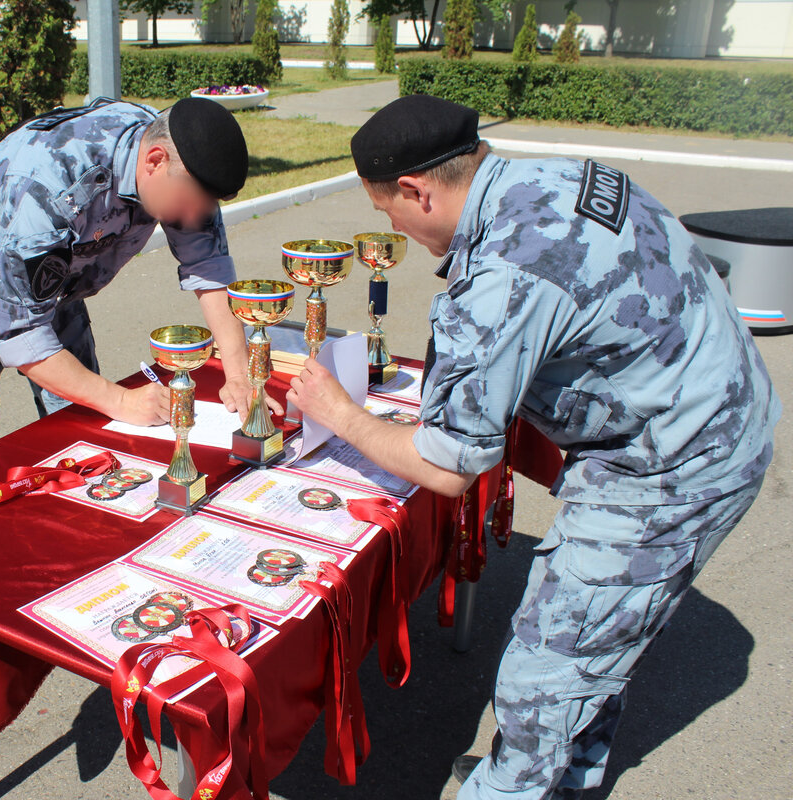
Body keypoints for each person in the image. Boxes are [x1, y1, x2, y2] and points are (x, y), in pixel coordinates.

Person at [286, 94, 780, 799]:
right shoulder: (544, 176)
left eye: (384, 209)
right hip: (696, 406)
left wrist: (341, 414)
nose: (388, 225)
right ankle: (564, 775)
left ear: (416, 191)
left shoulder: (505, 277)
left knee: (546, 667)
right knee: (596, 639)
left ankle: (517, 783)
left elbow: (448, 467)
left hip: (677, 464)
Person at [0, 96, 273, 464]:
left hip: (56, 291)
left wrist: (238, 374)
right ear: (153, 161)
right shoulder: (53, 186)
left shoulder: (177, 162)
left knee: (87, 444)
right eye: (190, 204)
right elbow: (21, 334)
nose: (194, 217)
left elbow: (209, 265)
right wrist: (121, 399)